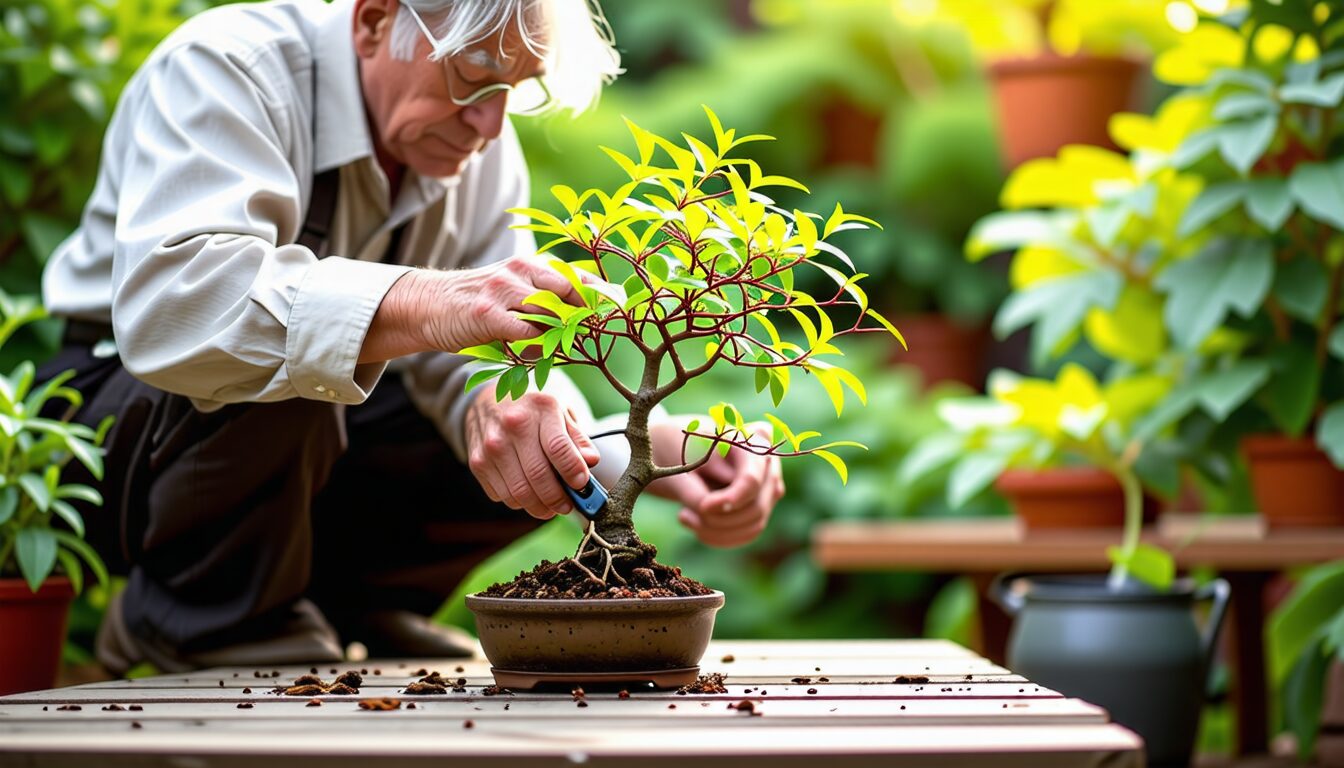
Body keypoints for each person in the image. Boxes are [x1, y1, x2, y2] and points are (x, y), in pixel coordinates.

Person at [40, 0, 784, 674]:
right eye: (473, 75)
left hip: (298, 452)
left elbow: (488, 361)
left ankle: (347, 604)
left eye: (514, 92)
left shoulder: (476, 150)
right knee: (302, 354)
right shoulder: (230, 69)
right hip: (121, 424)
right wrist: (431, 301)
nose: (491, 125)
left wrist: (637, 446)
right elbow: (180, 307)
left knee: (512, 430)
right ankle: (195, 619)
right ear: (372, 22)